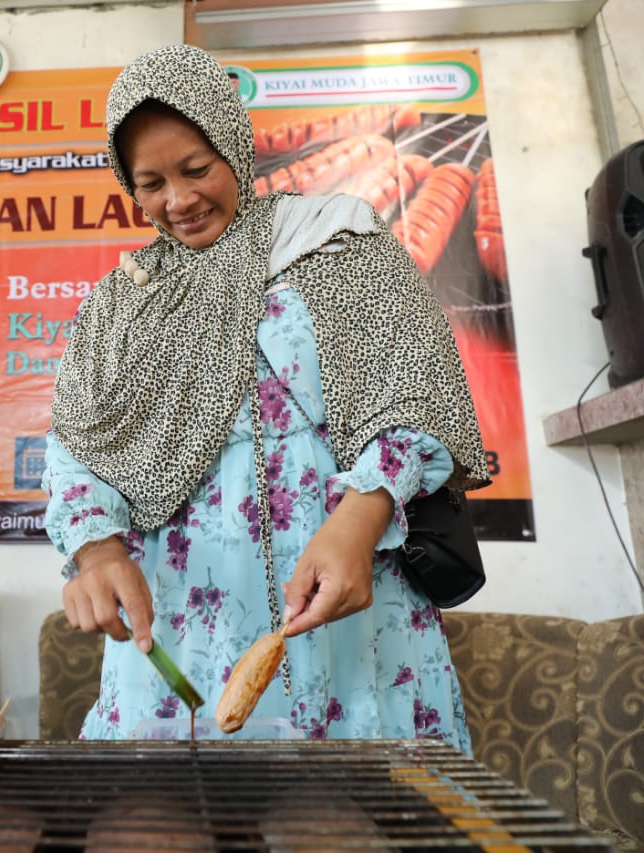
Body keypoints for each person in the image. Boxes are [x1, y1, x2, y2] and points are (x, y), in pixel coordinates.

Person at [44, 45, 491, 748]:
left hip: (342, 598)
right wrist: (97, 554)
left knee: (347, 825)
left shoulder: (338, 242)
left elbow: (415, 390)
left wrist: (360, 519)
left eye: (196, 170)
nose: (178, 200)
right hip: (185, 624)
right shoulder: (121, 303)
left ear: (234, 145)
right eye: (150, 182)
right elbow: (77, 446)